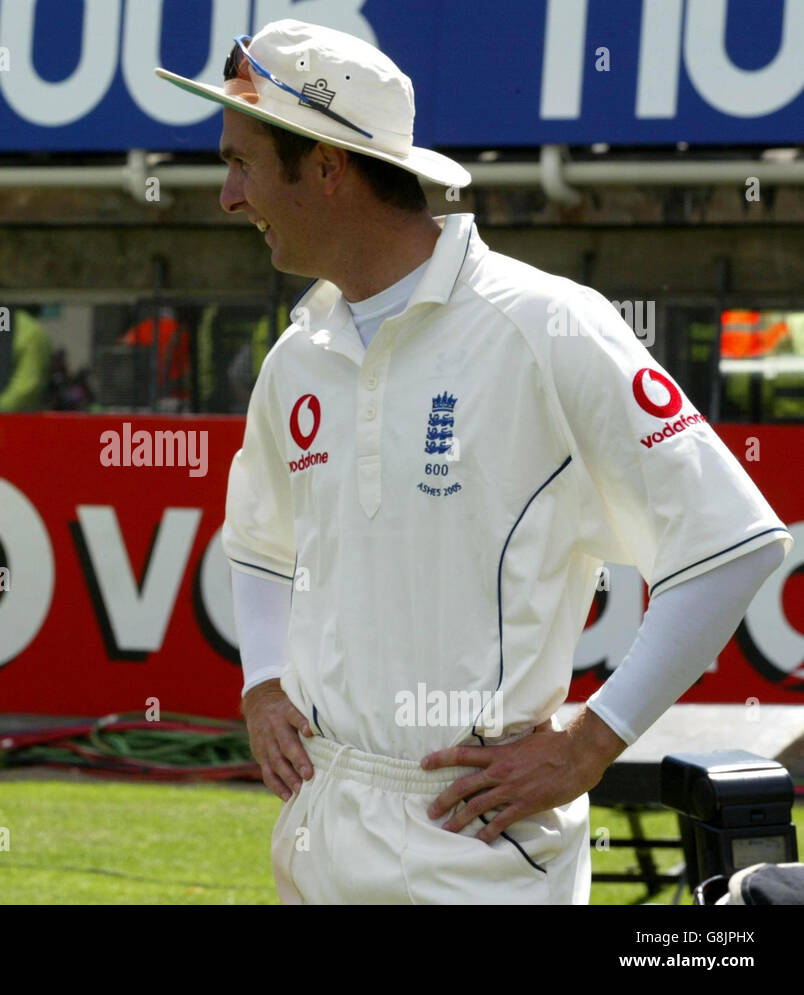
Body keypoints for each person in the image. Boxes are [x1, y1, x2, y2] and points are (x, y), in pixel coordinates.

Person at [157, 20, 792, 904]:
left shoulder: (547, 324)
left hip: (477, 841)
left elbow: (734, 543)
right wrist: (263, 683)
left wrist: (587, 744)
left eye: (242, 162)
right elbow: (261, 542)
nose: (227, 196)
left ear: (329, 166)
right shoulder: (299, 351)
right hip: (320, 822)